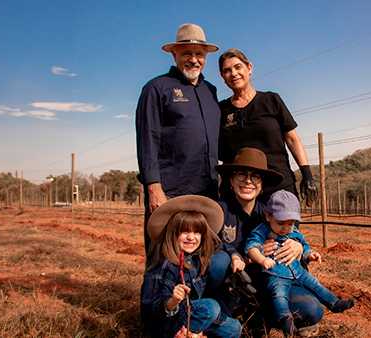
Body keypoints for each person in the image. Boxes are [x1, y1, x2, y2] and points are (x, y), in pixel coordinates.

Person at [207, 147, 324, 338]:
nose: (248, 181)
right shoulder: (218, 212)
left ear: (262, 185)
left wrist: (298, 246)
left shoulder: (271, 215)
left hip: (267, 286)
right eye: (241, 175)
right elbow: (208, 249)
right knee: (218, 262)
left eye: (255, 177)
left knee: (310, 309)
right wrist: (247, 257)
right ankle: (222, 320)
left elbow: (292, 237)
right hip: (230, 289)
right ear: (231, 180)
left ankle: (264, 318)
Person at [136, 23, 221, 272]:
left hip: (206, 192)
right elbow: (147, 141)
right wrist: (154, 189)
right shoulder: (156, 88)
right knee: (162, 259)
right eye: (187, 53)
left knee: (202, 259)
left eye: (199, 54)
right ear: (174, 55)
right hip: (170, 191)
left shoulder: (210, 91)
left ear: (205, 57)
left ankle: (194, 311)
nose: (193, 60)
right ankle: (153, 310)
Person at [245, 190, 355, 337]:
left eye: (290, 223)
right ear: (268, 216)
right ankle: (285, 320)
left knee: (315, 283)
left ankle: (334, 303)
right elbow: (251, 247)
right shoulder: (262, 231)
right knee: (279, 295)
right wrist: (262, 259)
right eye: (280, 223)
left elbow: (304, 248)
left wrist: (310, 255)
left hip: (297, 271)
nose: (285, 228)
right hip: (276, 274)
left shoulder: (294, 231)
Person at [217, 48, 318, 205]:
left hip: (277, 187)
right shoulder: (220, 110)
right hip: (238, 192)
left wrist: (307, 174)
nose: (234, 73)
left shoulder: (271, 100)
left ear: (249, 68)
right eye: (227, 70)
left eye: (238, 67)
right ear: (223, 77)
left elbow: (292, 139)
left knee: (282, 229)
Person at [140, 195, 242, 338]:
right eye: (184, 231)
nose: (191, 237)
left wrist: (235, 255)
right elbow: (152, 310)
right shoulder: (165, 267)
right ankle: (184, 334)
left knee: (235, 329)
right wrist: (172, 301)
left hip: (190, 313)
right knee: (210, 307)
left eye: (197, 232)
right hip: (167, 323)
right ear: (173, 234)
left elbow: (221, 244)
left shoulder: (195, 258)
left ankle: (194, 332)